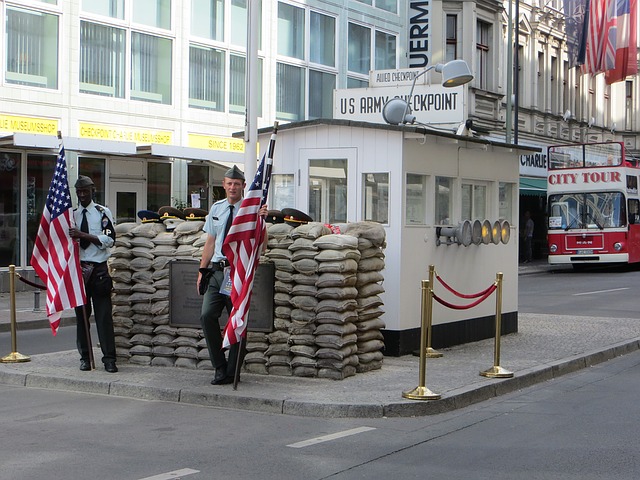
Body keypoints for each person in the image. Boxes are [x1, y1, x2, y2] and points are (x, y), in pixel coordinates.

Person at [196, 165, 268, 385]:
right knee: (207, 315)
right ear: (224, 185)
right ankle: (219, 365)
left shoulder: (252, 210)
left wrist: (262, 221)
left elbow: (262, 247)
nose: (233, 187)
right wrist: (202, 269)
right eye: (229, 183)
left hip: (238, 272)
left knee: (238, 320)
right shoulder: (217, 209)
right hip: (218, 271)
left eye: (237, 184)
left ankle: (232, 369)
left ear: (244, 186)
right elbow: (210, 242)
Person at [69, 175, 118, 372]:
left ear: (92, 191)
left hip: (98, 270)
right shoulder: (72, 216)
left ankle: (109, 359)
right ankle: (85, 357)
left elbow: (109, 240)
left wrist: (83, 235)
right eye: (79, 192)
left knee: (104, 316)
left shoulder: (102, 213)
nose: (82, 195)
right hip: (79, 271)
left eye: (85, 191)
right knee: (81, 317)